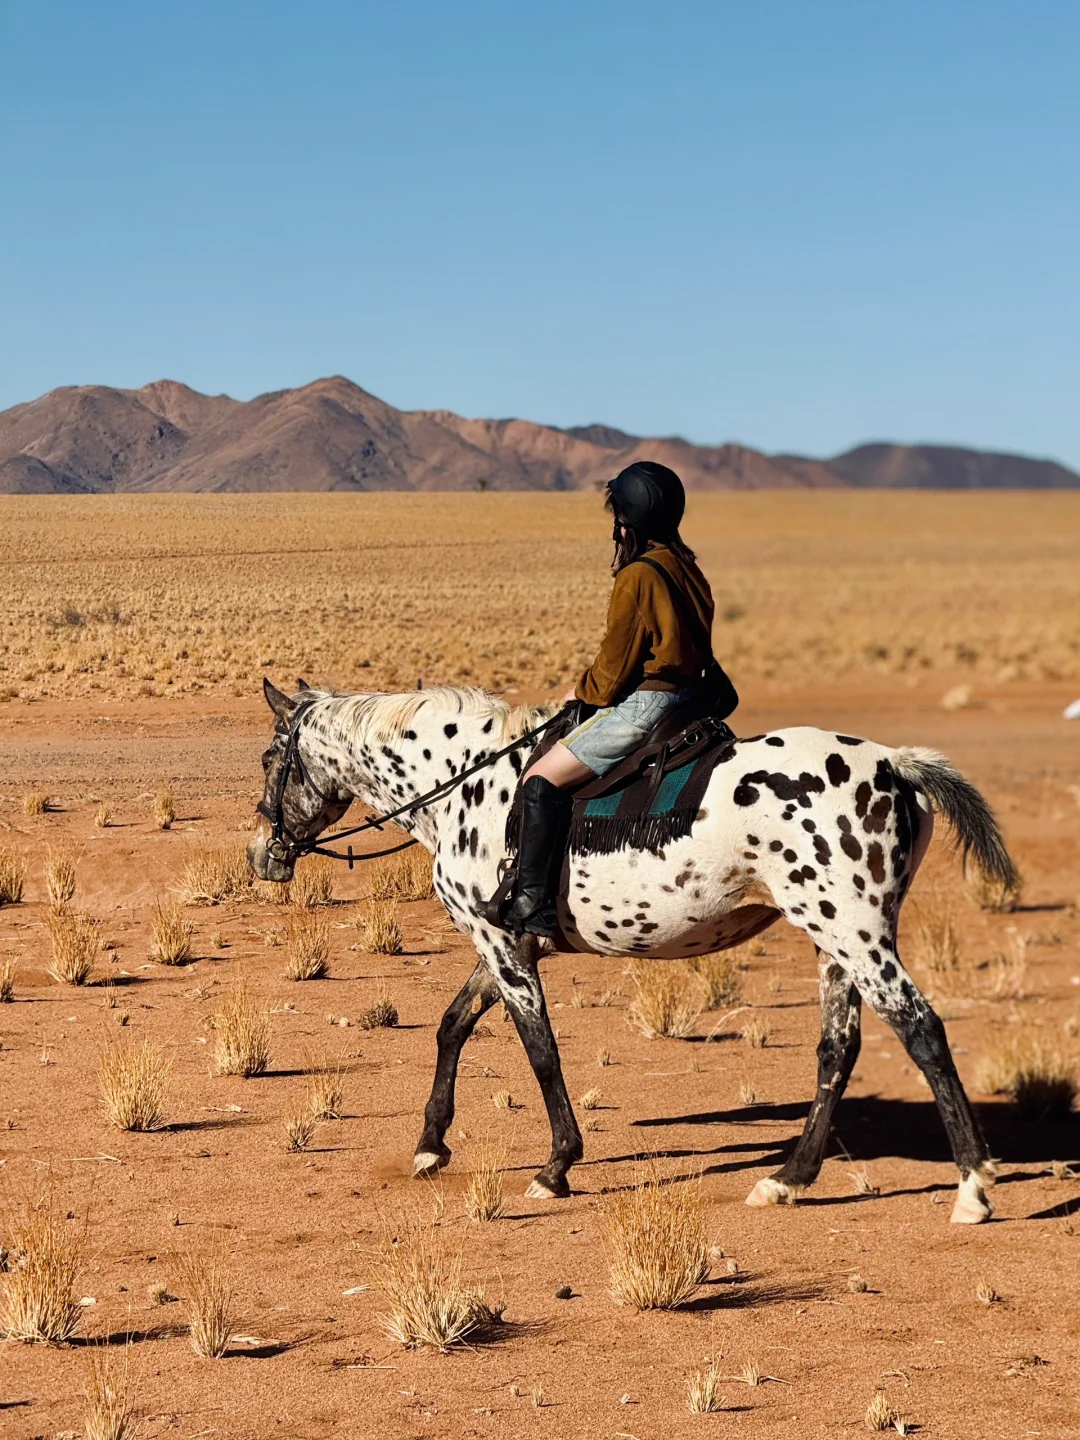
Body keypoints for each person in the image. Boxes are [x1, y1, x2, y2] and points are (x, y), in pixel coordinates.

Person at [490, 459, 728, 938]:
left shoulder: (638, 575)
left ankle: (533, 905)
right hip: (692, 696)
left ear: (627, 520)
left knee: (539, 779)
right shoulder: (686, 565)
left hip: (651, 701)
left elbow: (615, 665)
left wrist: (581, 694)